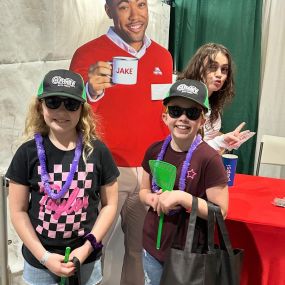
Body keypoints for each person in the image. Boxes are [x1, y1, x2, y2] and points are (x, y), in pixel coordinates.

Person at [69, 0, 173, 284]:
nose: (135, 15)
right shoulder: (88, 55)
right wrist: (90, 89)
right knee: (92, 251)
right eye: (124, 6)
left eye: (141, 4)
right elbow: (67, 116)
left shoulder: (163, 57)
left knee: (141, 253)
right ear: (109, 10)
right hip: (104, 172)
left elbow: (159, 114)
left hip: (148, 173)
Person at [6, 69, 119, 285]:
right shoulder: (27, 154)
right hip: (39, 262)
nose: (62, 111)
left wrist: (86, 249)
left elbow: (110, 205)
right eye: (53, 102)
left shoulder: (98, 151)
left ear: (82, 109)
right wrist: (45, 257)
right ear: (40, 106)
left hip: (86, 260)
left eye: (71, 104)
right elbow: (18, 211)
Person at [139, 79, 228, 285]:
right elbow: (143, 191)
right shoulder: (154, 150)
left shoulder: (209, 159)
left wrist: (183, 198)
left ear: (202, 121)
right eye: (175, 111)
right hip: (153, 247)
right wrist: (153, 199)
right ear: (165, 116)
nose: (183, 118)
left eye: (192, 113)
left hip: (189, 253)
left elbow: (221, 212)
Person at [177, 43, 252, 153]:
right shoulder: (181, 97)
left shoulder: (214, 112)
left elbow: (201, 148)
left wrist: (225, 141)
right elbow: (183, 149)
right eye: (212, 67)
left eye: (224, 69)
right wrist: (220, 141)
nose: (219, 74)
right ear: (198, 67)